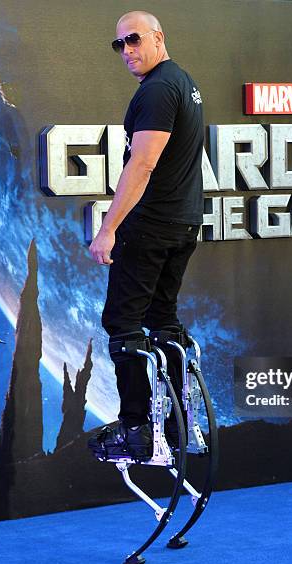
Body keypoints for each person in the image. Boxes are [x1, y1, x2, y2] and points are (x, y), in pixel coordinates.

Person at [87, 11, 204, 460]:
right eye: (119, 44)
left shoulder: (157, 90)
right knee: (163, 321)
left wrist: (108, 229)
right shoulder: (181, 81)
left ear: (158, 36)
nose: (127, 51)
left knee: (122, 322)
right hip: (181, 224)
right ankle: (177, 426)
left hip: (151, 228)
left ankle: (137, 430)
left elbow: (143, 164)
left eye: (134, 40)